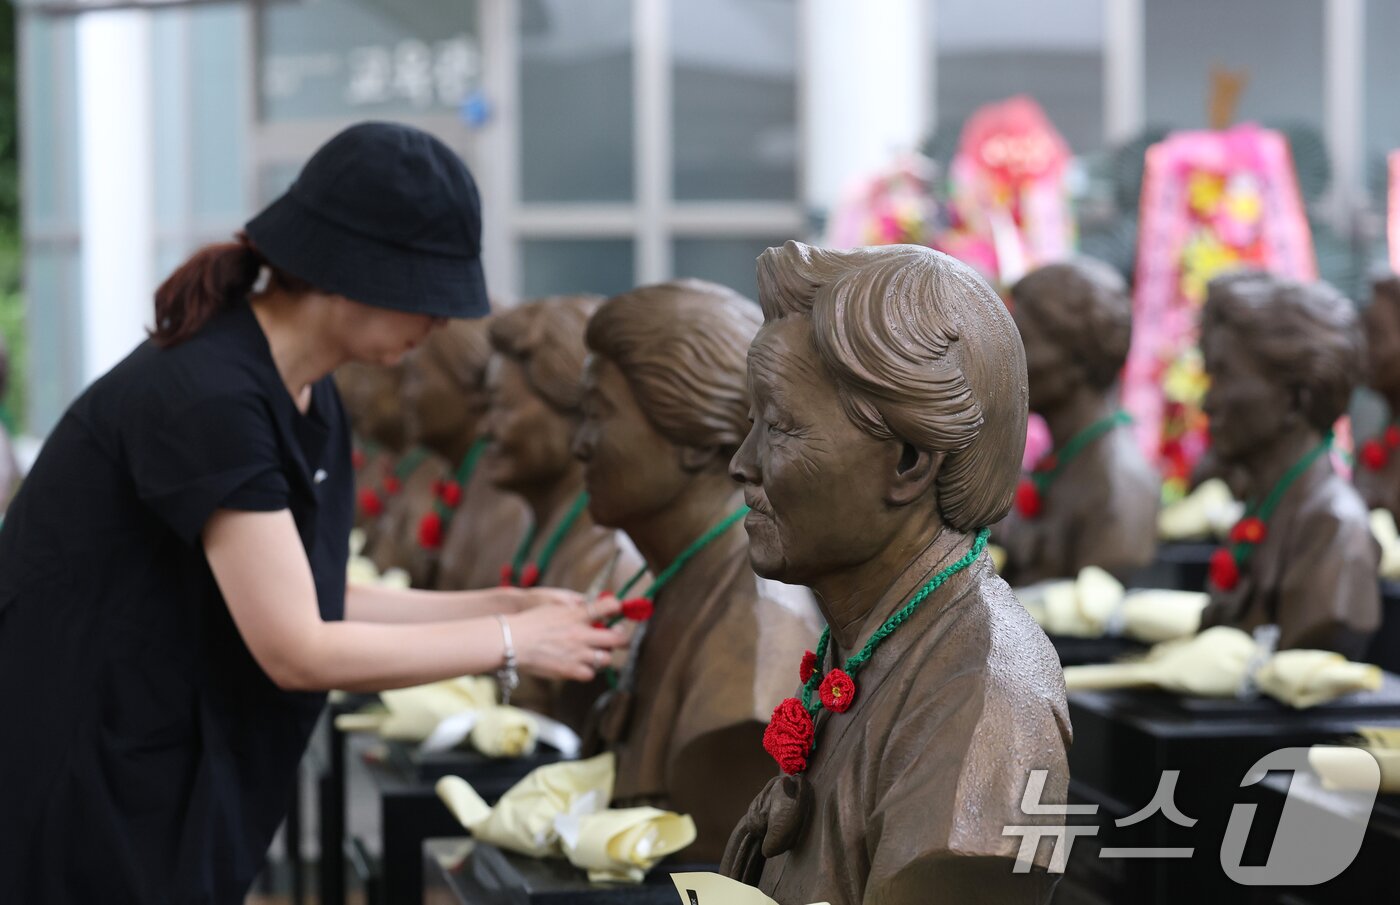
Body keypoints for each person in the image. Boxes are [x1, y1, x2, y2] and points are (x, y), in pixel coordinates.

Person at [0, 122, 626, 904]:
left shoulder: (307, 392)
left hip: (163, 761)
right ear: (343, 271)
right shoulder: (210, 395)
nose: (436, 324)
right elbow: (295, 647)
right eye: (423, 293)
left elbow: (312, 595)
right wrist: (509, 640)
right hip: (87, 777)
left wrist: (506, 605)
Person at [720, 242, 1069, 905]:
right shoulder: (872, 644)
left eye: (781, 427)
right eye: (751, 423)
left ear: (909, 460)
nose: (743, 462)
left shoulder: (982, 696)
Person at [572, 279, 820, 860]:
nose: (579, 445)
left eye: (598, 415)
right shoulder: (677, 580)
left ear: (692, 432)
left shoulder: (756, 625)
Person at [1198, 271, 1380, 657]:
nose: (1206, 403)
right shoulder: (1264, 510)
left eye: (1223, 376)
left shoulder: (1334, 531)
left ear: (1295, 400)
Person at [997, 258, 1159, 585]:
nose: (1008, 357)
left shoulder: (1116, 483)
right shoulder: (1067, 460)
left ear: (1076, 357)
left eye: (1023, 340)